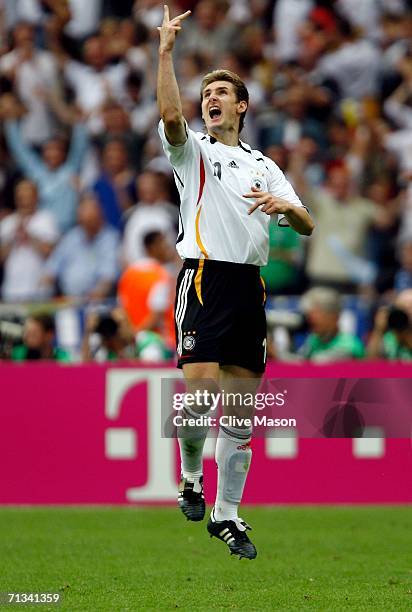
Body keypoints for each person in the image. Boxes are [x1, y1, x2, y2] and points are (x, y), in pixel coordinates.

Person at [157, 6, 314, 559]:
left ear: (241, 106)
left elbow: (306, 222)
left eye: (222, 93)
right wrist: (166, 53)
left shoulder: (263, 165)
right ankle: (190, 477)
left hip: (248, 286)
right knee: (199, 397)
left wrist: (284, 208)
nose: (212, 100)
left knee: (243, 415)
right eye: (207, 95)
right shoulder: (191, 151)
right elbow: (172, 117)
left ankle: (228, 515)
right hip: (202, 278)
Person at [42, 193, 120, 299]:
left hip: (97, 302)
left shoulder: (110, 239)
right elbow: (52, 267)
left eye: (89, 221)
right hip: (67, 299)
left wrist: (98, 292)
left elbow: (108, 276)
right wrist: (44, 284)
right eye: (82, 221)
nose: (85, 226)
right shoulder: (72, 237)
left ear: (100, 216)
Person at [299, 287, 365, 362]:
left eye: (317, 313)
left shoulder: (350, 345)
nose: (310, 320)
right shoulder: (313, 340)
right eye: (308, 315)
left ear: (335, 316)